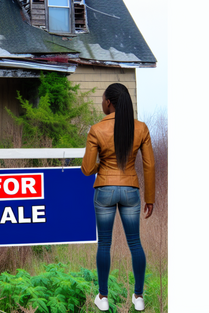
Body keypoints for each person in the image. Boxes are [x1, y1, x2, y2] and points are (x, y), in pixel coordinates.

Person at [81, 83, 155, 312]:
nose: (102, 103)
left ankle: (102, 297)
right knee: (135, 244)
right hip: (131, 190)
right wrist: (149, 198)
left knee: (104, 243)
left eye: (103, 99)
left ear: (109, 103)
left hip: (104, 189)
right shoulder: (141, 128)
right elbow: (149, 165)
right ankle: (139, 297)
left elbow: (86, 168)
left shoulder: (96, 129)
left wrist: (102, 165)